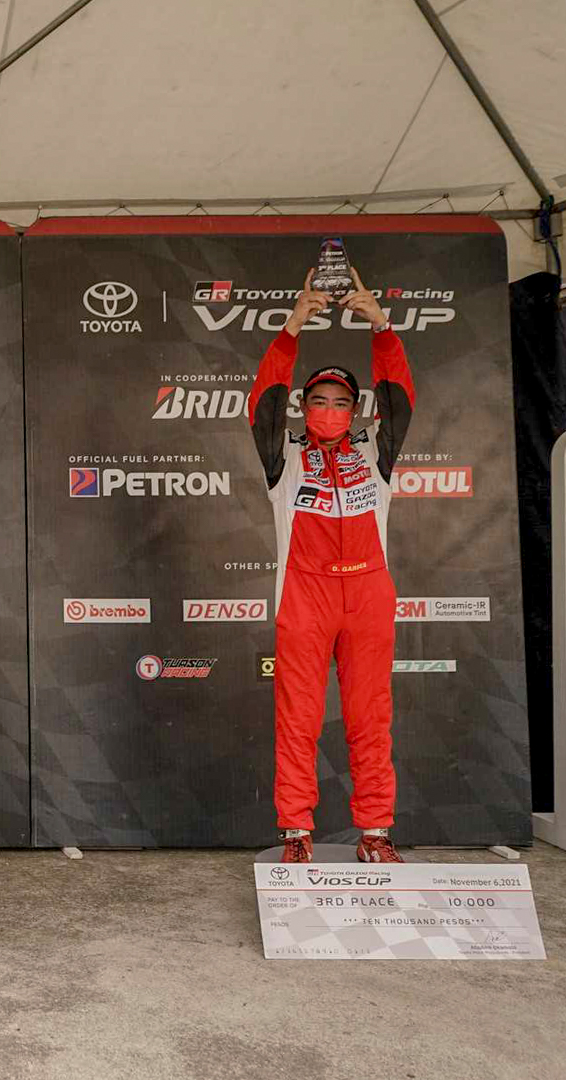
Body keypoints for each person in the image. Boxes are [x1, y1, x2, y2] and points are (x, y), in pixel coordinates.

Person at [247, 266, 414, 863]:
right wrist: (293, 326)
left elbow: (398, 400)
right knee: (298, 719)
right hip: (305, 595)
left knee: (370, 719)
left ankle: (376, 832)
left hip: (368, 594)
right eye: (318, 400)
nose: (329, 408)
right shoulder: (284, 456)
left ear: (355, 409)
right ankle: (296, 832)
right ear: (304, 406)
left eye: (341, 401)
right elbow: (264, 403)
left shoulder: (375, 452)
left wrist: (382, 328)